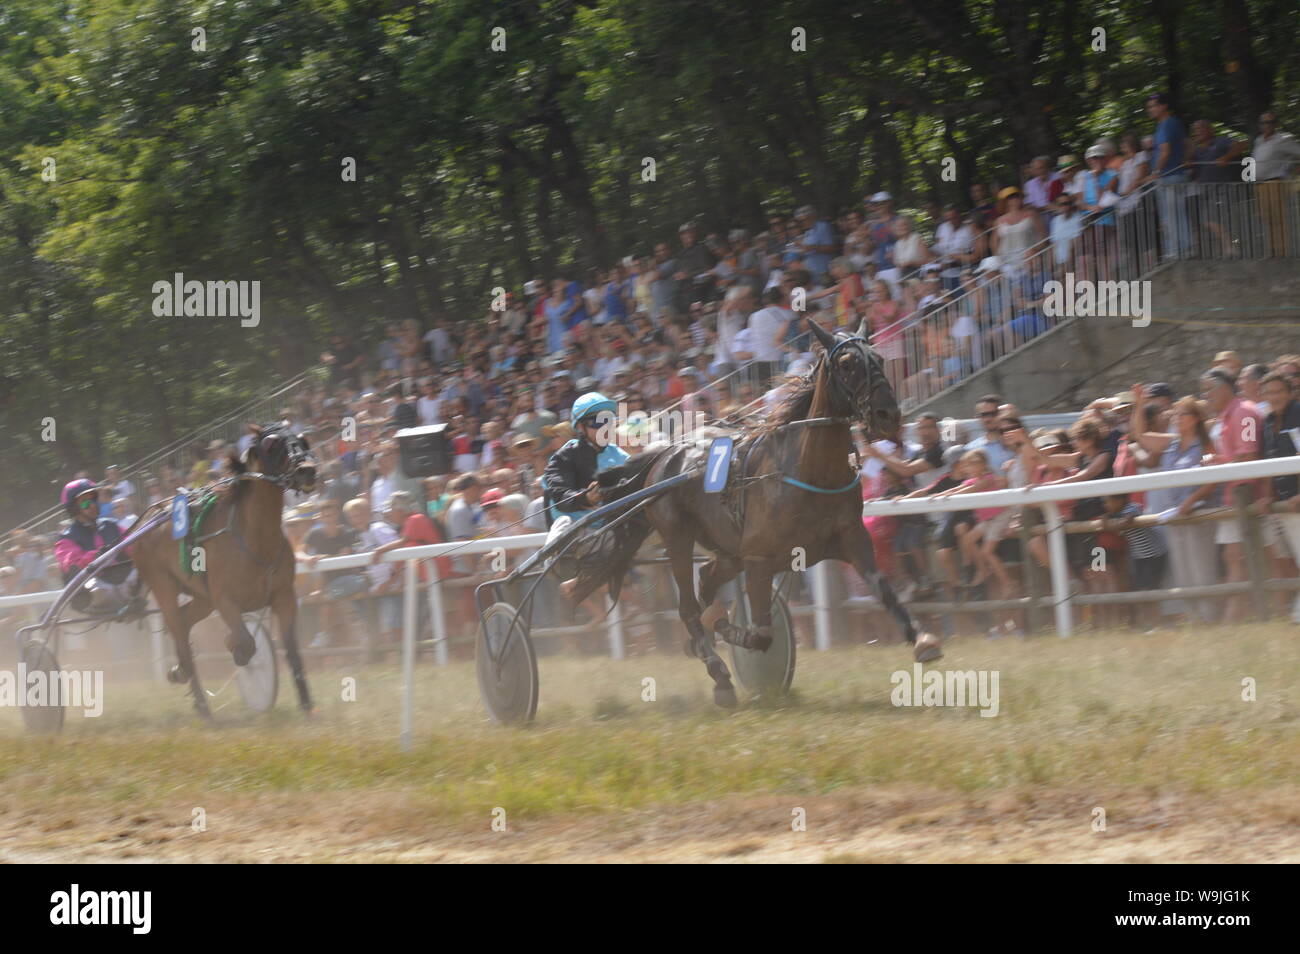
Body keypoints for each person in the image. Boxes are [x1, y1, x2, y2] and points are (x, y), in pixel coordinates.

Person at [541, 392, 631, 547]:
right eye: (598, 422)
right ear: (581, 427)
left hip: (612, 531)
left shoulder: (622, 457)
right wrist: (586, 498)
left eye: (609, 421)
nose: (605, 427)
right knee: (564, 525)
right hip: (576, 531)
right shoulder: (565, 456)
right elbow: (560, 495)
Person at [53, 479, 140, 613]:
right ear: (74, 508)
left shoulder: (111, 525)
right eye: (86, 503)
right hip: (97, 586)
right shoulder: (66, 539)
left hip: (124, 580)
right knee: (96, 591)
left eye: (94, 500)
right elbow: (72, 565)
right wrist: (97, 555)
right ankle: (118, 611)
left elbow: (133, 547)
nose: (93, 505)